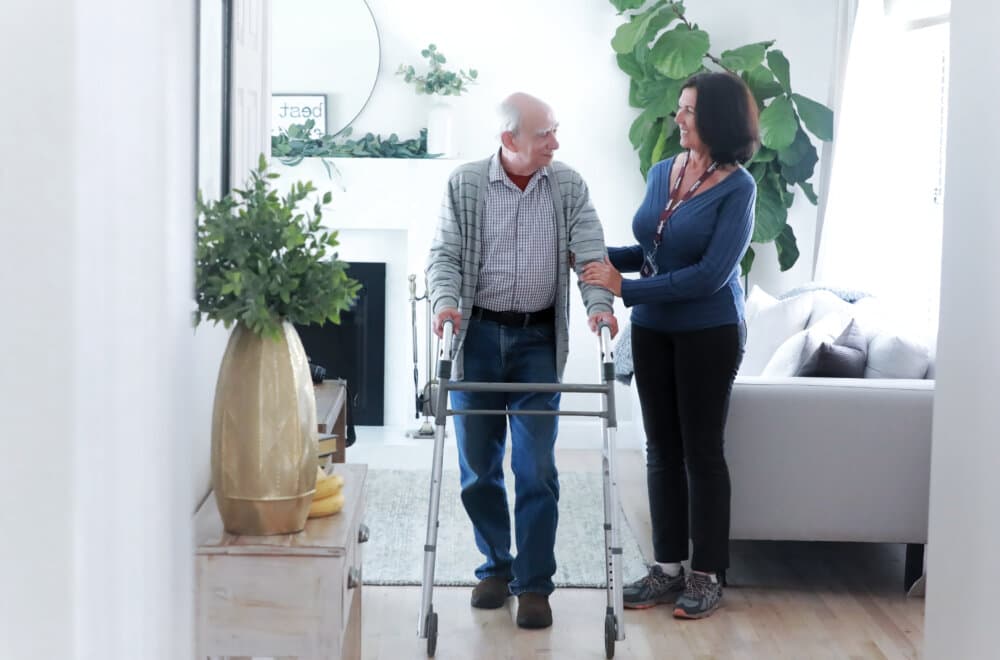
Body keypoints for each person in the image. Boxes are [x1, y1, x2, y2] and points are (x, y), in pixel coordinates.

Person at [426, 92, 618, 629]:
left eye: (556, 131)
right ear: (509, 140)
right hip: (477, 337)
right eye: (544, 134)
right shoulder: (465, 184)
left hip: (536, 343)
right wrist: (445, 303)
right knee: (478, 469)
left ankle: (534, 584)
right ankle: (495, 568)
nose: (555, 143)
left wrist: (599, 309)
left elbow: (591, 252)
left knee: (535, 467)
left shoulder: (568, 185)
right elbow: (443, 253)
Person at [581, 71, 758, 619]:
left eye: (688, 110)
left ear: (717, 120)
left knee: (701, 453)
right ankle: (666, 569)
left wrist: (624, 288)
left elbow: (709, 274)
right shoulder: (664, 171)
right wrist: (595, 257)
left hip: (709, 331)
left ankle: (707, 575)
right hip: (655, 330)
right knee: (660, 451)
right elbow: (652, 247)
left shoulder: (739, 188)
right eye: (680, 109)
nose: (677, 118)